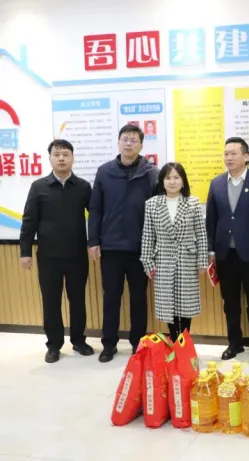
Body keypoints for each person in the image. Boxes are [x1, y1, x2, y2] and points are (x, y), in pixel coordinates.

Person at [88, 124, 159, 362]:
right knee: (111, 297)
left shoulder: (151, 172)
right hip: (111, 248)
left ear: (141, 145)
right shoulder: (104, 171)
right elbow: (95, 209)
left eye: (133, 140)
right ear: (118, 142)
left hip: (141, 249)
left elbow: (158, 210)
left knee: (139, 298)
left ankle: (138, 344)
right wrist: (93, 240)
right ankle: (109, 344)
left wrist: (155, 245)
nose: (129, 144)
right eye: (125, 139)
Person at [18, 139, 93, 363]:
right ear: (50, 158)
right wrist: (25, 252)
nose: (61, 158)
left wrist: (96, 242)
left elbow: (96, 217)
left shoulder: (83, 187)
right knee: (51, 302)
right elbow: (29, 221)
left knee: (77, 300)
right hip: (48, 256)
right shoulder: (39, 187)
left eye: (66, 154)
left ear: (73, 158)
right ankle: (53, 345)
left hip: (77, 255)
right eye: (57, 154)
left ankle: (79, 340)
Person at [207, 137, 249, 362]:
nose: (229, 158)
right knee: (230, 302)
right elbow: (211, 219)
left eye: (234, 153)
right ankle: (235, 343)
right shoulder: (216, 183)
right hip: (225, 254)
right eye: (226, 154)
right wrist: (211, 250)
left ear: (245, 156)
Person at [140, 162, 207, 342]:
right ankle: (175, 342)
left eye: (177, 177)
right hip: (162, 261)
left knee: (185, 306)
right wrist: (147, 263)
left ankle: (183, 345)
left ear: (183, 181)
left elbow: (201, 235)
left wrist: (202, 262)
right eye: (168, 178)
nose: (172, 181)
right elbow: (148, 236)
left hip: (187, 260)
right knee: (168, 306)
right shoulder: (152, 204)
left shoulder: (192, 203)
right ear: (161, 182)